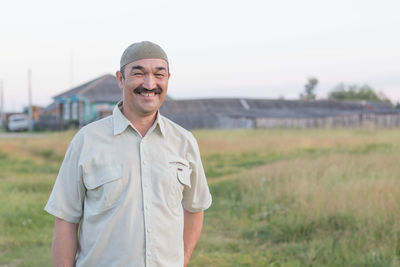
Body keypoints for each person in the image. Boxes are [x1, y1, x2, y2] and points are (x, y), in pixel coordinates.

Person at [45, 41, 212, 267]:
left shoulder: (184, 142)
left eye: (158, 74)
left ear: (168, 80)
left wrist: (181, 260)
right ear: (120, 79)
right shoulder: (86, 141)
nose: (149, 83)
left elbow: (195, 208)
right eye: (139, 73)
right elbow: (66, 220)